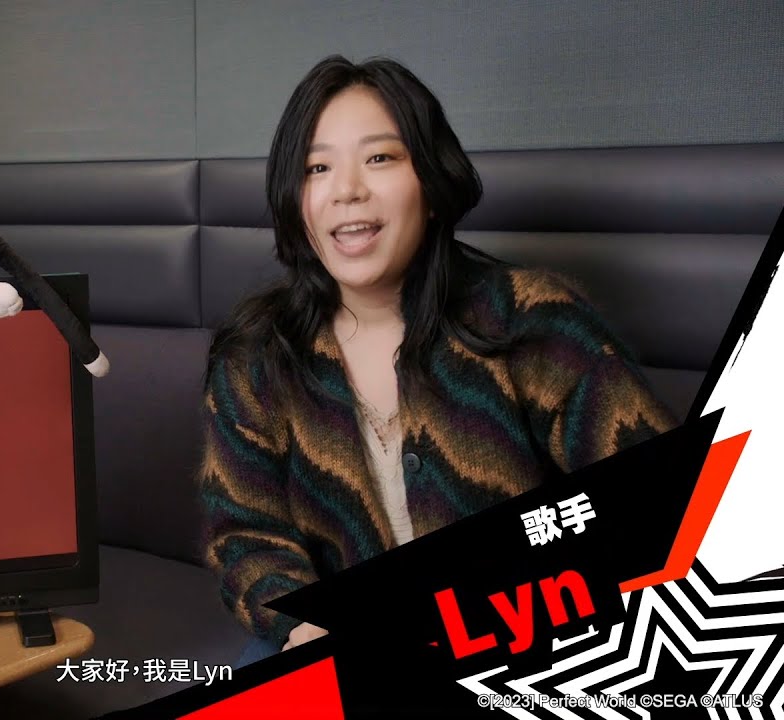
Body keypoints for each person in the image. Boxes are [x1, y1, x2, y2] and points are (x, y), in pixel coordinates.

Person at [197, 55, 677, 668]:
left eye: (380, 158)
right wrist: (300, 621)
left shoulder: (532, 320)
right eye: (317, 168)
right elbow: (245, 532)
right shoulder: (258, 356)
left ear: (431, 181)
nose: (347, 190)